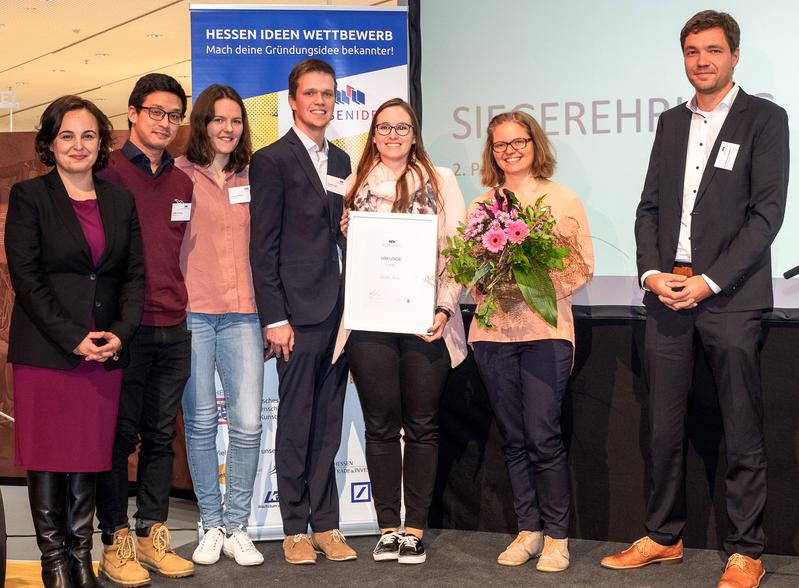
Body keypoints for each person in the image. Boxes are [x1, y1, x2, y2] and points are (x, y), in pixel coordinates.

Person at [600, 11, 789, 588]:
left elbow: (766, 216)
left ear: (735, 55)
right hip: (666, 292)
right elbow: (649, 208)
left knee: (740, 425)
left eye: (712, 50)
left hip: (730, 299)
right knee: (661, 425)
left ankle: (746, 550)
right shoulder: (669, 122)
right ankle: (663, 536)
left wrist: (708, 281)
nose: (701, 60)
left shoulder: (766, 118)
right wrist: (652, 274)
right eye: (691, 51)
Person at [5, 95, 144, 588]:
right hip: (48, 351)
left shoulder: (119, 199)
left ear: (101, 143)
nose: (78, 145)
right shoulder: (30, 198)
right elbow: (26, 279)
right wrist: (74, 338)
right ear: (49, 142)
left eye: (88, 135)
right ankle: (54, 562)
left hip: (104, 351)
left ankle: (82, 556)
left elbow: (133, 277)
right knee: (47, 455)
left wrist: (118, 336)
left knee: (88, 454)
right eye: (67, 135)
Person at [333, 98, 468, 564]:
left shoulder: (441, 180)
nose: (393, 135)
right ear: (373, 134)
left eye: (402, 127)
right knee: (380, 426)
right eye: (384, 128)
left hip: (424, 323)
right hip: (370, 323)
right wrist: (347, 230)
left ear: (415, 133)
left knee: (424, 426)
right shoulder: (355, 184)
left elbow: (458, 252)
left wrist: (444, 308)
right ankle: (387, 526)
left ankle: (415, 528)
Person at [469, 111, 593, 573]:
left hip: (545, 335)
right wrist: (486, 282)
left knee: (543, 436)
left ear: (534, 144)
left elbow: (581, 267)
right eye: (500, 145)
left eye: (518, 141)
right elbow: (468, 270)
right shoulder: (482, 205)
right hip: (492, 336)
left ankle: (558, 538)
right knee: (515, 439)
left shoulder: (561, 199)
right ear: (492, 151)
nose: (510, 150)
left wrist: (527, 285)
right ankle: (529, 530)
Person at [249, 58, 355, 565]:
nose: (320, 101)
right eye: (310, 93)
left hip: (340, 312)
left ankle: (327, 524)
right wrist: (275, 318)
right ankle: (295, 526)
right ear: (292, 100)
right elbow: (262, 247)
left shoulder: (342, 162)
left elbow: (339, 231)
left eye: (328, 94)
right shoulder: (271, 160)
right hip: (296, 315)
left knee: (329, 425)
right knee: (295, 422)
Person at [94, 73, 196, 585]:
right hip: (123, 329)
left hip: (173, 323)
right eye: (156, 112)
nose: (165, 123)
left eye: (174, 115)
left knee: (160, 438)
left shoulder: (182, 181)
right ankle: (115, 541)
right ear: (132, 112)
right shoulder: (105, 172)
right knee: (118, 439)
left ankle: (153, 531)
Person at [176, 84, 264, 567]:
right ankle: (211, 522)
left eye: (236, 121)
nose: (228, 129)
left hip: (246, 313)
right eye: (218, 120)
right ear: (202, 123)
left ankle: (238, 525)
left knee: (248, 424)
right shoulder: (176, 175)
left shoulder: (255, 176)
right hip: (191, 313)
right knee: (202, 422)